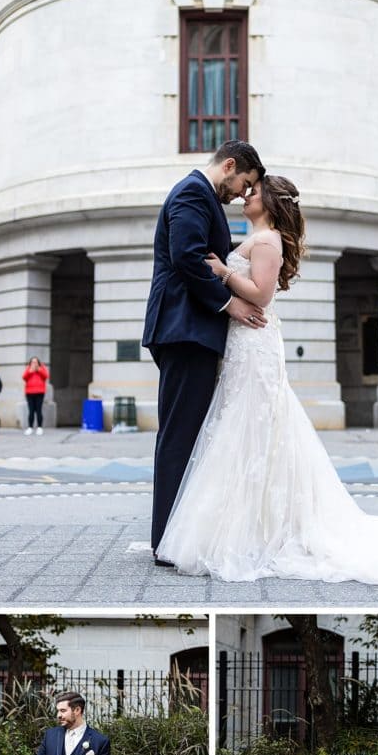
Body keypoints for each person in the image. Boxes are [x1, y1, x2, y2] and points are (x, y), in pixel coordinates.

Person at [155, 174, 378, 595]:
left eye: (254, 189)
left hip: (253, 341)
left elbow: (262, 294)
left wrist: (223, 274)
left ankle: (248, 530)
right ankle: (245, 524)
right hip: (243, 342)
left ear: (269, 201)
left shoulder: (267, 240)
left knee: (250, 428)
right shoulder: (259, 236)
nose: (246, 194)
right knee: (241, 430)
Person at [143, 140, 268, 566]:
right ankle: (165, 543)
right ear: (229, 165)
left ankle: (174, 535)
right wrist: (231, 304)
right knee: (179, 435)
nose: (241, 194)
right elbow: (187, 258)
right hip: (185, 329)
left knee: (187, 432)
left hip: (191, 330)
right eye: (243, 183)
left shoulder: (199, 195)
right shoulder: (193, 192)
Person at [22, 356, 50, 436]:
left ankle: (39, 427)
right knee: (31, 410)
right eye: (33, 362)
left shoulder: (42, 368)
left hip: (39, 392)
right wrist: (30, 371)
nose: (34, 363)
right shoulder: (28, 368)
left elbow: (46, 376)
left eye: (36, 362)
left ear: (38, 362)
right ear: (30, 363)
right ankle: (30, 427)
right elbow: (24, 377)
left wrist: (39, 370)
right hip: (29, 392)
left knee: (38, 410)